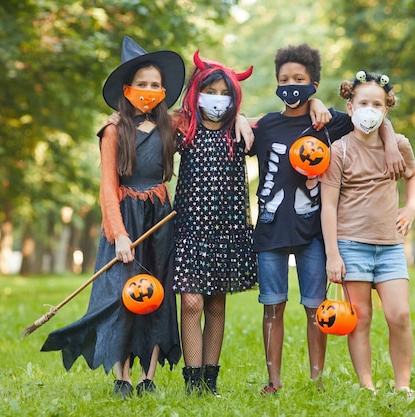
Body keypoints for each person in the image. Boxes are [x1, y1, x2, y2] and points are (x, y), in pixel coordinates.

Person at [249, 44, 406, 395]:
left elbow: (371, 111)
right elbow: (236, 127)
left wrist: (392, 142)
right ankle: (273, 382)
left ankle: (315, 380)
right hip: (271, 231)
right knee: (272, 307)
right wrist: (243, 125)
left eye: (299, 79)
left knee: (315, 308)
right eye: (284, 79)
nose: (291, 84)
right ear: (276, 83)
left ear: (314, 83)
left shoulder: (329, 122)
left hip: (312, 233)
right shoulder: (267, 126)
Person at [40, 35, 184, 399]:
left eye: (155, 85)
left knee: (157, 292)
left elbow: (217, 123)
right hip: (125, 217)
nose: (149, 91)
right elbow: (107, 186)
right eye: (142, 85)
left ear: (163, 90)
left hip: (159, 219)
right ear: (128, 88)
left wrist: (246, 121)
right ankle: (122, 375)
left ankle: (148, 376)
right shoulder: (114, 130)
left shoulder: (172, 125)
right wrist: (118, 234)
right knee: (124, 293)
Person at [320, 70, 415, 396]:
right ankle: (367, 386)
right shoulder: (339, 151)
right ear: (350, 106)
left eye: (377, 104)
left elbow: (414, 177)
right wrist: (333, 254)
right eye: (364, 102)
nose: (370, 109)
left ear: (386, 109)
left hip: (390, 246)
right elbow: (329, 206)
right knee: (360, 318)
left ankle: (402, 386)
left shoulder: (399, 144)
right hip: (352, 245)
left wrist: (411, 207)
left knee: (400, 315)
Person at [171, 51, 257, 397]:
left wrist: (243, 118)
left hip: (228, 231)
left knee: (216, 304)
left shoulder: (241, 132)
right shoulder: (183, 128)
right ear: (197, 92)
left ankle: (209, 381)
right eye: (212, 92)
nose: (218, 100)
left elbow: (286, 122)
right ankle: (191, 381)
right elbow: (148, 124)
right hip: (191, 229)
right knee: (191, 302)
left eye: (225, 94)